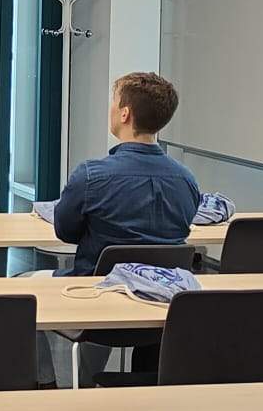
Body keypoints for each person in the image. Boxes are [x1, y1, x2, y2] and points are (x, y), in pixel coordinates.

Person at [52, 72, 202, 276]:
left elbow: (65, 232)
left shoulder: (90, 176)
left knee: (26, 280)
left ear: (125, 114)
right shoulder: (187, 180)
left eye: (113, 101)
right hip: (161, 296)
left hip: (94, 291)